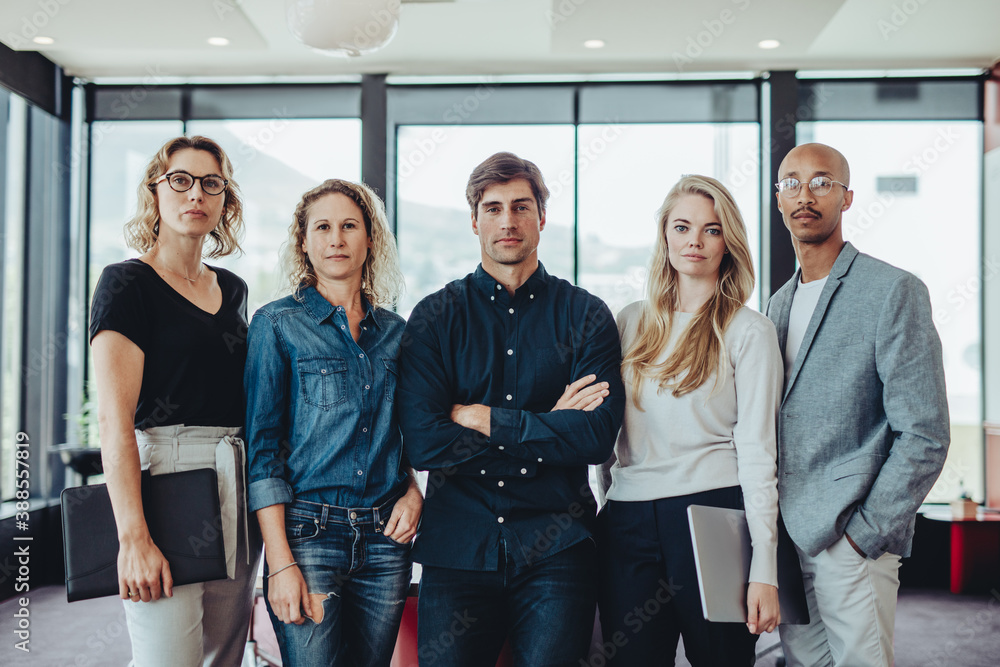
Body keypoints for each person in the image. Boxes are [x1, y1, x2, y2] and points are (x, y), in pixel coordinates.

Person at [397, 152, 625, 666]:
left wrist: (477, 416)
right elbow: (425, 442)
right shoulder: (434, 317)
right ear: (474, 220)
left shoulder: (586, 315)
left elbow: (593, 439)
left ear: (542, 218)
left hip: (558, 550)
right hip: (457, 549)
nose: (508, 221)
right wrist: (548, 427)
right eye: (493, 208)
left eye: (521, 207)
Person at [767, 143, 950, 667]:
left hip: (851, 538)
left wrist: (865, 534)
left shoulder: (892, 290)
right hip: (790, 537)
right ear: (778, 199)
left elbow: (925, 433)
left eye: (822, 182)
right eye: (792, 183)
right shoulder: (777, 304)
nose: (806, 195)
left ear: (847, 198)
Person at [90, 135, 262, 666]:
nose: (196, 194)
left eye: (212, 184)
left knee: (225, 657)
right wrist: (133, 538)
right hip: (165, 475)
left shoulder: (232, 289)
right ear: (155, 191)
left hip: (237, 473)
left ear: (224, 200)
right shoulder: (126, 285)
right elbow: (114, 424)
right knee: (168, 657)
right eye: (180, 180)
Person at [596, 175, 782, 666]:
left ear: (729, 242)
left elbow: (760, 453)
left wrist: (766, 565)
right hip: (628, 520)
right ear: (665, 236)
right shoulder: (629, 321)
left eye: (712, 229)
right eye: (682, 227)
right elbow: (607, 434)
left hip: (713, 514)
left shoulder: (749, 331)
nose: (694, 240)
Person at [245, 178, 422, 667]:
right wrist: (279, 562)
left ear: (371, 239)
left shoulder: (397, 334)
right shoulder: (276, 324)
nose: (336, 239)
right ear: (304, 241)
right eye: (322, 227)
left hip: (386, 542)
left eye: (349, 226)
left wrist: (413, 489)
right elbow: (262, 453)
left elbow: (405, 433)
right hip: (307, 536)